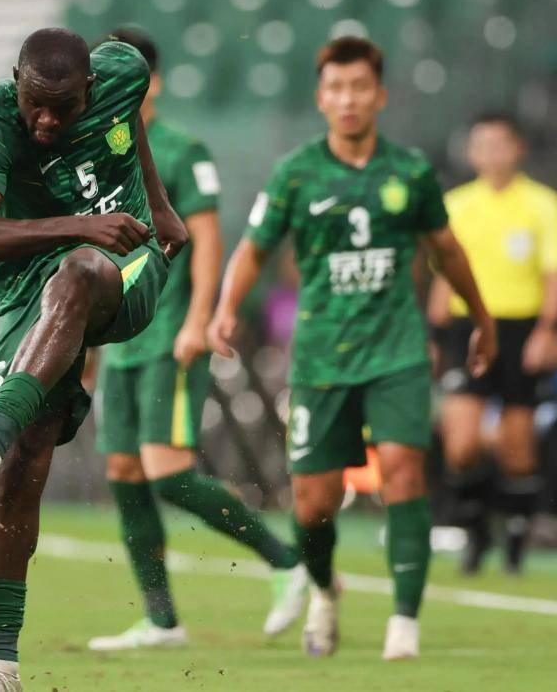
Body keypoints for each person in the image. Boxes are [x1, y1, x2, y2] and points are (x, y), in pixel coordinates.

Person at [0, 27, 188, 691]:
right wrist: (79, 225)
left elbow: (130, 120)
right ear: (16, 82)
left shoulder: (122, 70)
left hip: (124, 261)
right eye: (34, 103)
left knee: (81, 269)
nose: (46, 121)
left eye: (63, 108)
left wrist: (158, 206)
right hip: (32, 288)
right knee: (24, 461)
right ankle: (0, 668)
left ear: (90, 86)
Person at [207, 37, 497, 661]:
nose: (348, 99)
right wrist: (227, 308)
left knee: (403, 470)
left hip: (397, 351)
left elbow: (446, 251)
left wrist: (481, 317)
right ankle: (323, 590)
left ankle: (404, 621)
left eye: (359, 87)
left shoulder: (410, 171)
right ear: (321, 98)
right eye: (336, 88)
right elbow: (254, 248)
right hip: (321, 358)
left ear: (379, 95)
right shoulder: (296, 172)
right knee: (313, 503)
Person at [84, 27, 307, 653]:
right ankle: (162, 622)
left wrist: (197, 318)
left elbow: (206, 237)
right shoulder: (96, 153)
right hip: (121, 341)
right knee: (124, 469)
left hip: (168, 336)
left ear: (151, 82)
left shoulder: (181, 150)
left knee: (168, 473)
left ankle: (287, 560)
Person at [429, 113, 557, 574]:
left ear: (518, 148)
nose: (491, 153)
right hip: (467, 329)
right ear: (470, 152)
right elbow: (443, 274)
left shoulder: (542, 204)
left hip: (521, 329)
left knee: (518, 447)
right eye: (481, 144)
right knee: (461, 443)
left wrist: (547, 331)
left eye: (500, 143)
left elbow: (553, 274)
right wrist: (435, 337)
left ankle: (516, 540)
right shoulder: (456, 204)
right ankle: (476, 529)